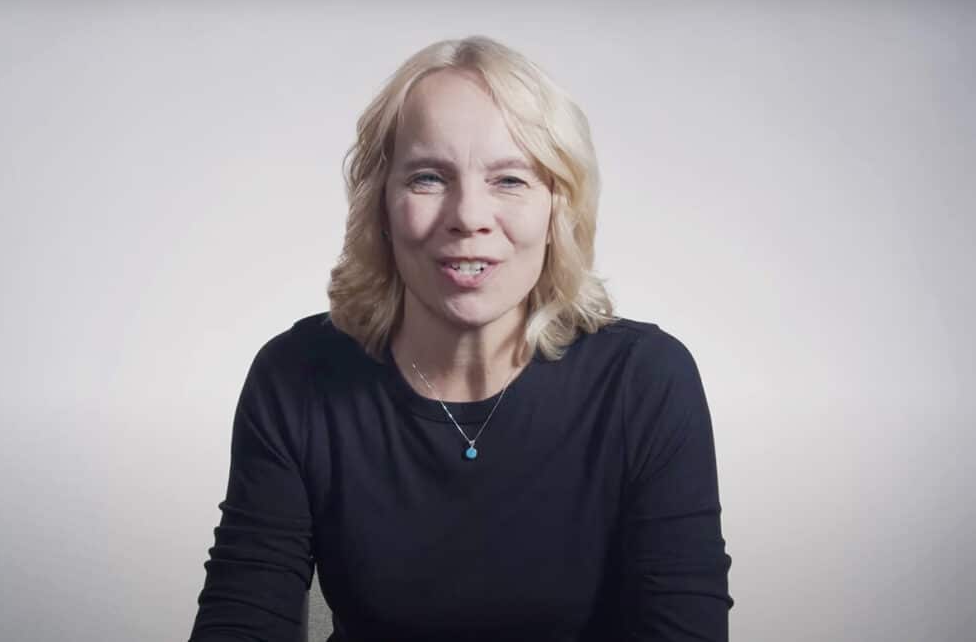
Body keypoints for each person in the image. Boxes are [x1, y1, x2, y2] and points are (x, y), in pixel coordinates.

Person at [188, 35, 733, 642]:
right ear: (381, 207)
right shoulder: (295, 376)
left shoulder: (647, 380)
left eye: (509, 180)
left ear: (559, 209)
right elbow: (241, 616)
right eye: (428, 177)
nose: (468, 215)